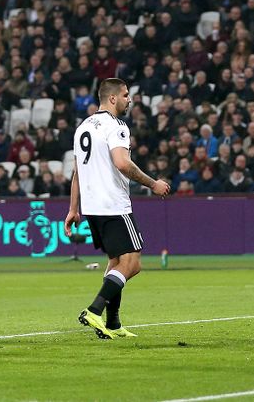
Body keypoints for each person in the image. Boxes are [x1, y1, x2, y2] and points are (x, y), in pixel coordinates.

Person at [64, 78, 171, 340]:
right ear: (112, 98)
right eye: (125, 95)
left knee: (115, 263)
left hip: (93, 207)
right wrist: (152, 183)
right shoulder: (116, 126)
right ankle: (94, 310)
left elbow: (77, 173)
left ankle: (112, 323)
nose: (129, 99)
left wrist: (73, 209)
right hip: (113, 203)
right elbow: (123, 163)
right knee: (132, 264)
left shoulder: (83, 127)